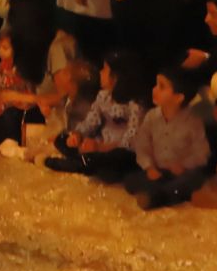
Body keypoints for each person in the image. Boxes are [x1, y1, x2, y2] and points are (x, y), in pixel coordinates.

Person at [44, 49, 148, 182]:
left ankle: (75, 164)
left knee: (115, 158)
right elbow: (90, 123)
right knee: (63, 138)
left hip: (118, 151)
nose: (101, 73)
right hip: (99, 146)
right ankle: (85, 162)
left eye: (104, 69)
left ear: (115, 77)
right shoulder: (103, 96)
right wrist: (77, 135)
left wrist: (101, 147)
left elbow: (132, 140)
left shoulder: (135, 104)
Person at [126, 68, 211, 210]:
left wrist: (184, 165)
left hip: (180, 173)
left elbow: (202, 153)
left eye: (162, 87)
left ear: (179, 97)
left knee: (190, 181)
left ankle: (157, 196)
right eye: (156, 85)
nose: (155, 89)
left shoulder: (193, 121)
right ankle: (157, 193)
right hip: (158, 172)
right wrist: (149, 167)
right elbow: (142, 146)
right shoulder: (151, 117)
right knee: (130, 180)